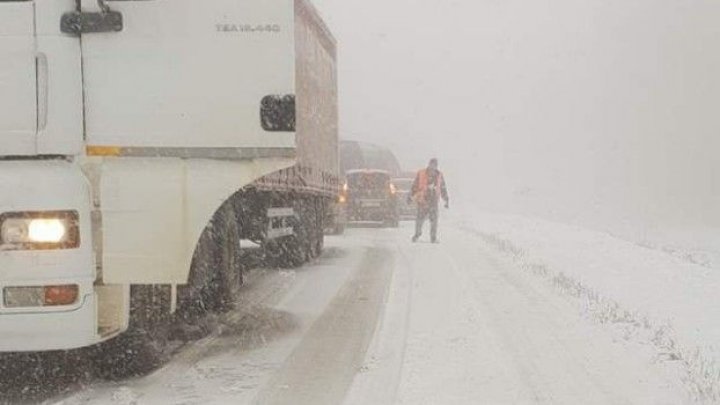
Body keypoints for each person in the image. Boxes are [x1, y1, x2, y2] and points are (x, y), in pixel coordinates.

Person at [409, 158, 449, 243]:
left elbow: (443, 188)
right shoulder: (421, 173)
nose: (433, 167)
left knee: (434, 221)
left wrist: (446, 200)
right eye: (432, 164)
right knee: (419, 220)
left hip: (433, 202)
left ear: (436, 166)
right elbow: (415, 186)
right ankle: (417, 234)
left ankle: (433, 238)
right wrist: (410, 196)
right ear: (429, 164)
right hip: (422, 200)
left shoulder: (439, 175)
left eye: (435, 165)